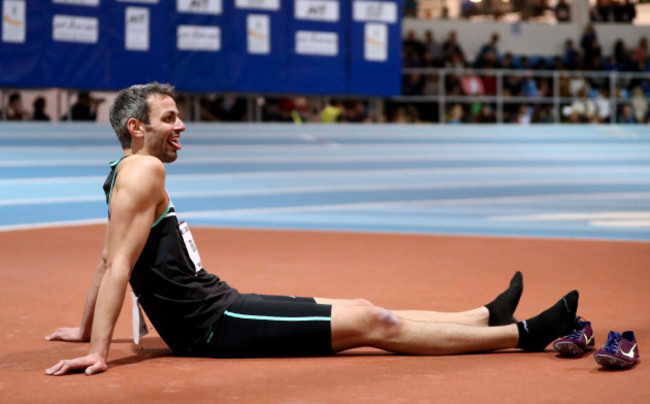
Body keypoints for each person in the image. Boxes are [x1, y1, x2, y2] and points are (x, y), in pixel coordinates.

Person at [44, 82, 580, 376]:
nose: (181, 125)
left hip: (220, 305)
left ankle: (483, 316)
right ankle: (525, 336)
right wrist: (98, 350)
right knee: (375, 321)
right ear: (135, 128)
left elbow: (106, 259)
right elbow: (116, 264)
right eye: (169, 119)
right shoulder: (145, 169)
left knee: (365, 307)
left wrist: (84, 325)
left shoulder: (119, 173)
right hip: (213, 322)